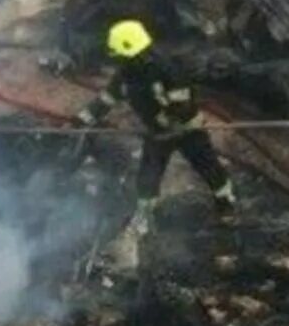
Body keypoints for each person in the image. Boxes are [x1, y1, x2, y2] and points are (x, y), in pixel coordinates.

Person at [73, 18, 237, 233]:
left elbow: (183, 106)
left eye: (121, 56)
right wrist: (83, 119)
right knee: (148, 177)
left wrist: (166, 123)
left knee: (208, 167)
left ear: (134, 52)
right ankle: (145, 215)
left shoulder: (167, 70)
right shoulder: (126, 75)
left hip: (186, 130)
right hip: (157, 133)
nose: (118, 60)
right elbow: (107, 99)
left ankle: (226, 204)